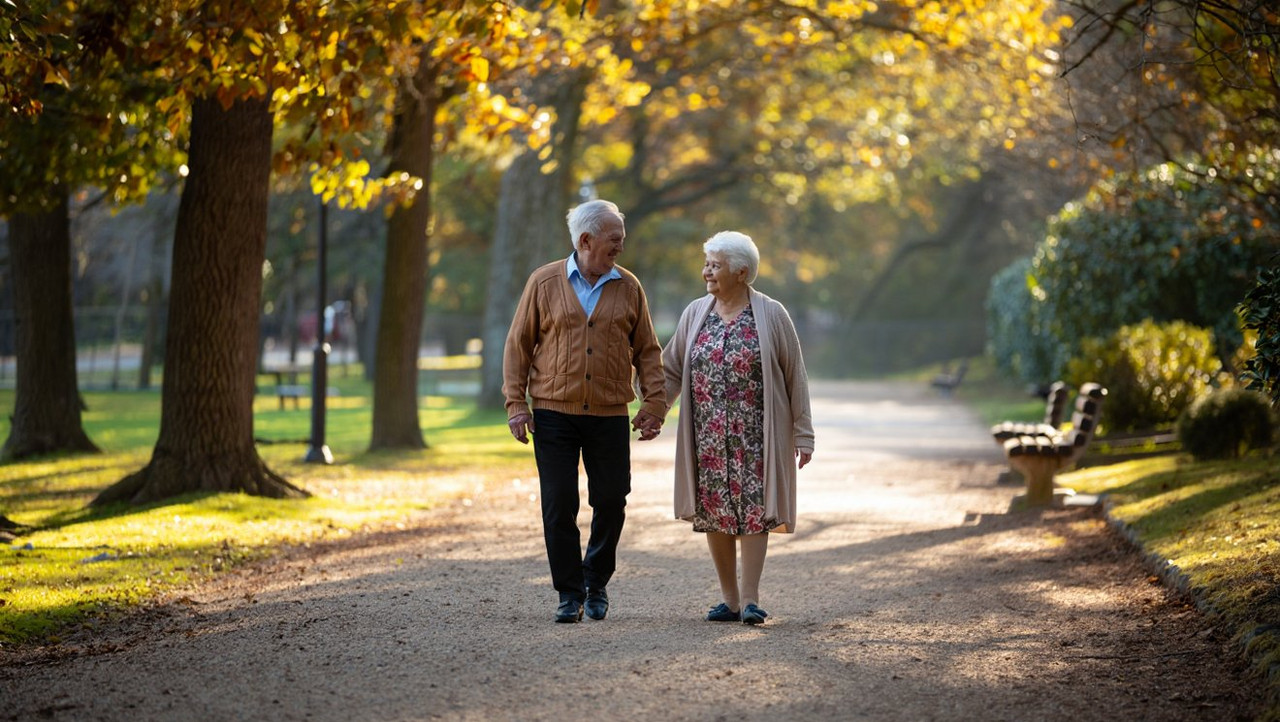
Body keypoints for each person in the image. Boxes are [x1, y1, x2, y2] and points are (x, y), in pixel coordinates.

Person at [503, 199, 667, 624]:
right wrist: (516, 404)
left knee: (612, 499)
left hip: (610, 414)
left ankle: (597, 582)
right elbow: (518, 345)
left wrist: (654, 402)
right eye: (614, 240)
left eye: (622, 240)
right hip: (554, 413)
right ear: (586, 240)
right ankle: (569, 593)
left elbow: (648, 349)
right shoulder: (543, 283)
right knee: (559, 503)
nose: (620, 248)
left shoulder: (628, 286)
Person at [662, 230, 813, 625]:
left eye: (715, 265)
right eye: (707, 264)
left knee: (754, 510)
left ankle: (750, 599)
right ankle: (728, 600)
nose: (706, 272)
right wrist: (653, 409)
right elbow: (672, 368)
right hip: (707, 434)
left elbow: (796, 375)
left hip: (757, 435)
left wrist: (803, 433)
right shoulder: (696, 313)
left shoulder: (772, 314)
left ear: (741, 272)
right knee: (715, 512)